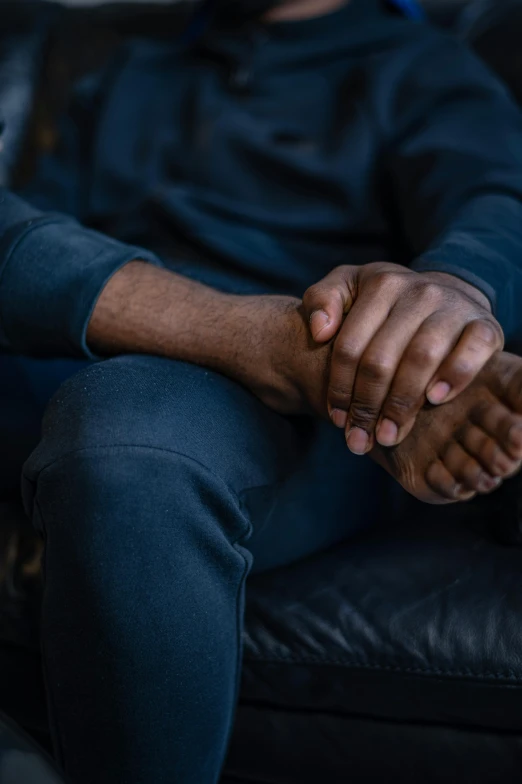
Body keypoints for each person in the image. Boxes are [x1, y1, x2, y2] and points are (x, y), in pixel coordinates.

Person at [2, 0, 522, 780]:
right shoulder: (126, 72)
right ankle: (281, 351)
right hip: (76, 355)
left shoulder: (419, 66)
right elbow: (36, 245)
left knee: (128, 439)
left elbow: (496, 202)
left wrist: (449, 298)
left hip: (288, 414)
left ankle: (332, 369)